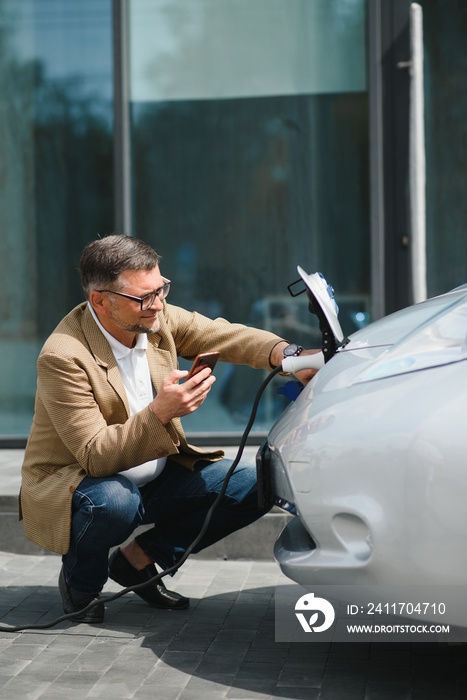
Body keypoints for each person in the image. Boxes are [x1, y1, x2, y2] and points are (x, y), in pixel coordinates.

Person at [20, 235, 319, 623]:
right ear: (100, 301)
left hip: (155, 474)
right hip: (82, 482)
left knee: (256, 484)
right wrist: (160, 412)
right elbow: (95, 456)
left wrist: (290, 355)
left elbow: (224, 335)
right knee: (115, 503)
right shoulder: (63, 356)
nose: (158, 304)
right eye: (144, 297)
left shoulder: (155, 318)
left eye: (161, 289)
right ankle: (82, 585)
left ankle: (138, 562)